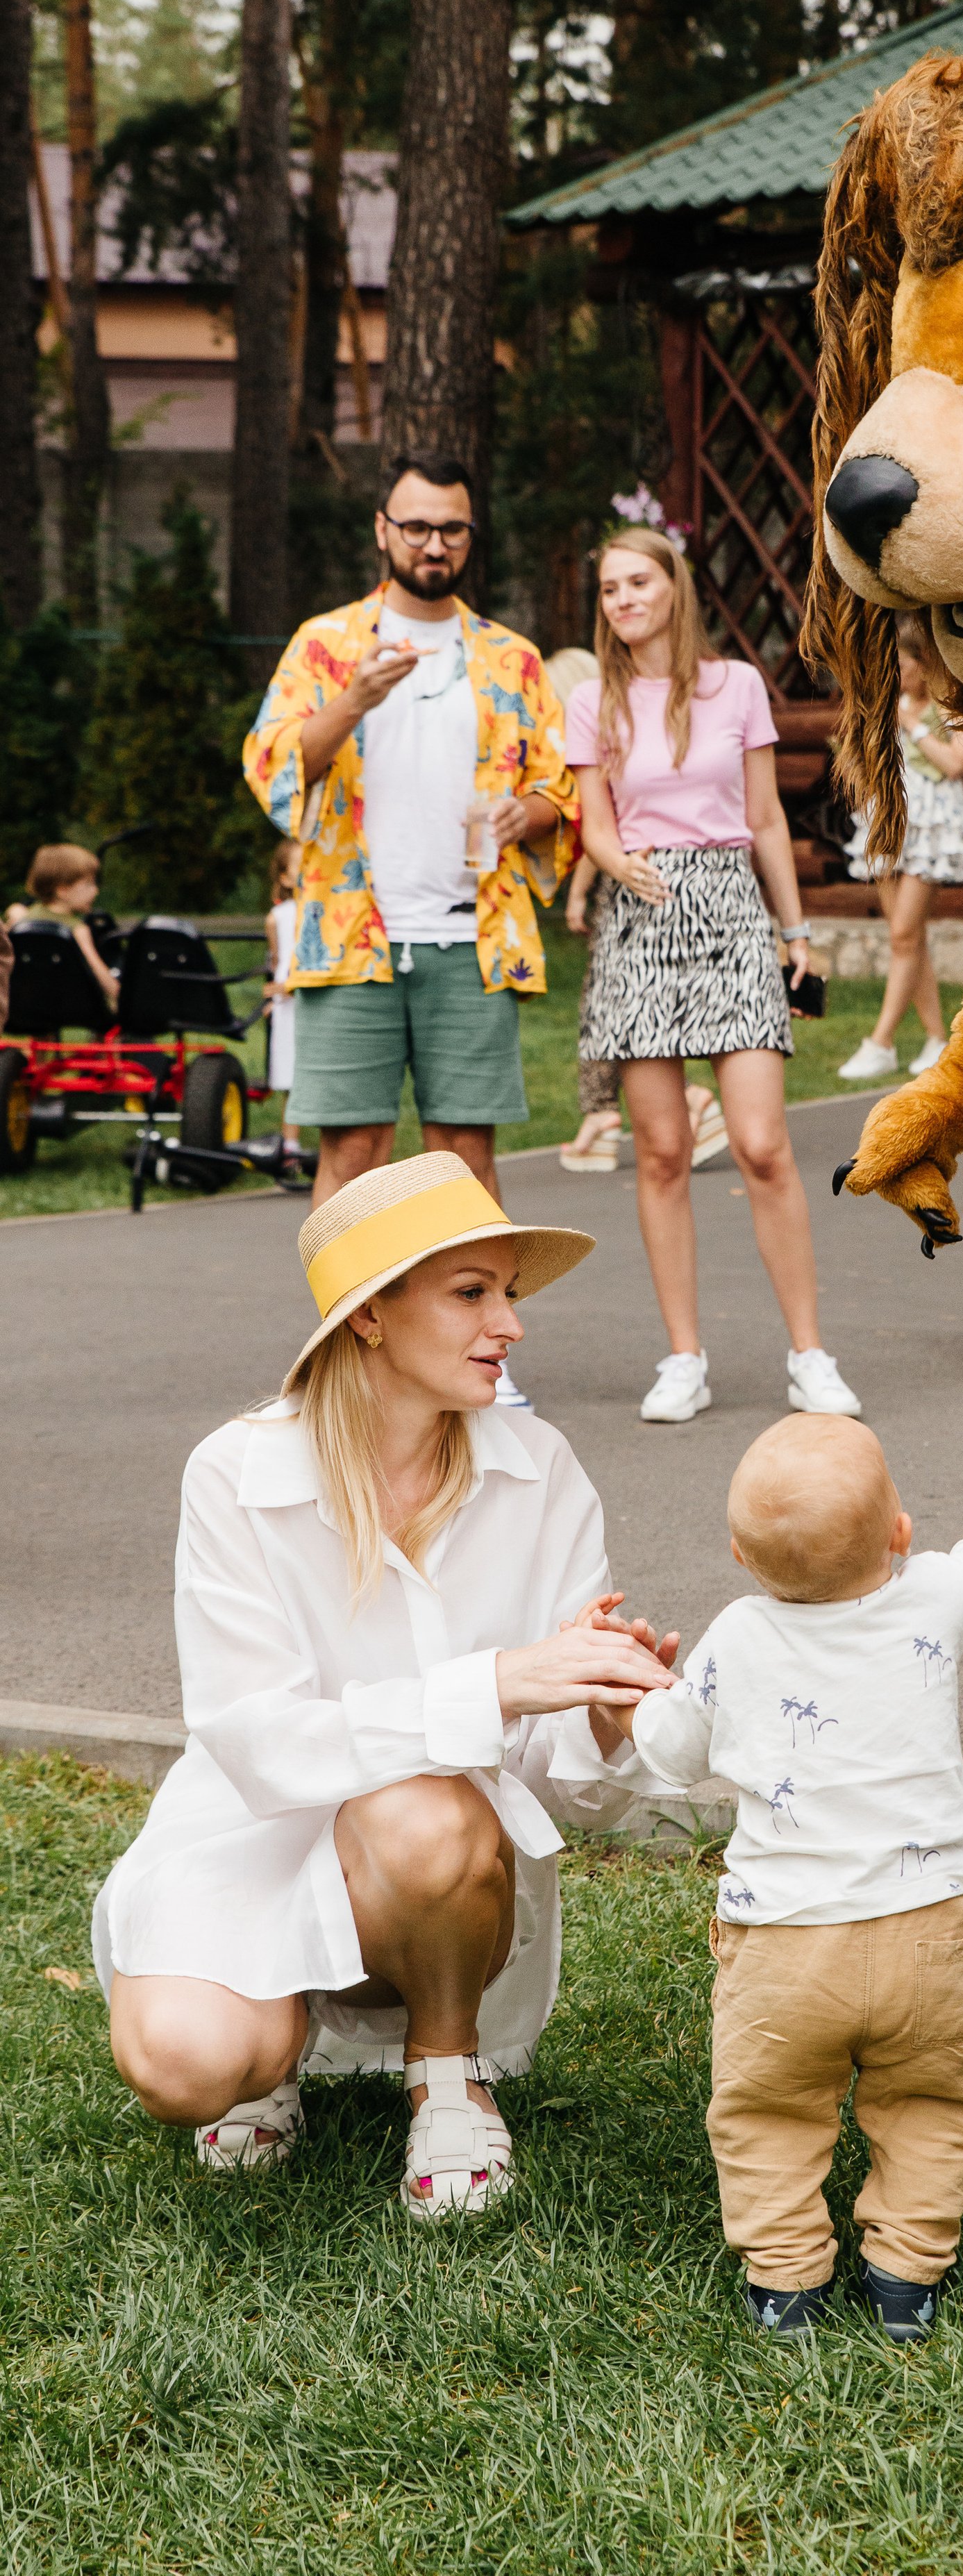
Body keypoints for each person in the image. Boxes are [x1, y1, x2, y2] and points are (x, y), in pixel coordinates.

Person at [92, 1151, 680, 2220]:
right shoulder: (235, 1472)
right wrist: (500, 1682)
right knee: (185, 2065)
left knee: (428, 1806)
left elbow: (572, 1799)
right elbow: (257, 1741)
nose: (510, 1325)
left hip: (436, 1872)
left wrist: (601, 1719)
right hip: (251, 1837)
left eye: (507, 1292)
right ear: (370, 1315)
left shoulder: (537, 1464)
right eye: (472, 1293)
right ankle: (273, 2060)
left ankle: (445, 2075)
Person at [587, 1410, 963, 2339]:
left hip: (786, 1947)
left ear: (741, 1556)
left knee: (767, 2112)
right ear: (902, 1536)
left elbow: (667, 1752)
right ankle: (907, 2271)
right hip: (931, 1930)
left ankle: (786, 2280)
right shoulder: (937, 1595)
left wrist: (632, 1678)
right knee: (935, 2100)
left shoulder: (738, 1636)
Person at [244, 451, 578, 1409]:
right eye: (417, 526)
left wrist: (535, 816)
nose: (435, 543)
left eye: (453, 529)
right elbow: (271, 768)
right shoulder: (326, 646)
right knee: (348, 1154)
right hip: (353, 935)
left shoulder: (510, 656)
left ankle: (485, 1365)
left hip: (471, 932)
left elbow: (562, 786)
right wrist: (354, 700)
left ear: (472, 538)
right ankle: (332, 1368)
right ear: (383, 532)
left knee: (465, 1157)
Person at [562, 526, 860, 1424]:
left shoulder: (735, 686)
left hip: (731, 909)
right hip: (643, 913)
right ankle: (683, 1357)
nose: (622, 600)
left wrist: (796, 931)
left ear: (673, 586)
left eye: (637, 582)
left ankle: (811, 1355)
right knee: (659, 1154)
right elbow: (595, 821)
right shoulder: (593, 702)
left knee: (763, 1145)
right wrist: (615, 866)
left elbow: (767, 817)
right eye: (610, 589)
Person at [546, 646, 728, 1178]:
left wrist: (582, 891)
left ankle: (685, 1101)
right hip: (631, 881)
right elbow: (600, 833)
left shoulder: (610, 738)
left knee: (623, 1010)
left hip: (637, 887)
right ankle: (603, 1116)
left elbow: (605, 830)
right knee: (614, 1007)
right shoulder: (622, 736)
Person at [837, 617, 963, 1083]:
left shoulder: (953, 705)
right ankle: (938, 1037)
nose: (894, 673)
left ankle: (880, 1043)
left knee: (902, 933)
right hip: (888, 820)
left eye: (901, 664)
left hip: (932, 825)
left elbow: (957, 764)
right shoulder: (888, 701)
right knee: (908, 938)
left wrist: (915, 727)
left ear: (924, 664)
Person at [6, 842, 119, 1011]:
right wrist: (119, 993)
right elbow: (98, 974)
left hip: (26, 1008)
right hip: (74, 1008)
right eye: (89, 884)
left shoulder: (22, 923)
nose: (95, 891)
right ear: (63, 890)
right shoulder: (77, 930)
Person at [263, 837, 305, 1169]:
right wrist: (276, 992)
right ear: (286, 878)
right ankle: (291, 1145)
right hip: (287, 1006)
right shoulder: (278, 917)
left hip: (309, 997)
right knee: (290, 1076)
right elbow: (278, 959)